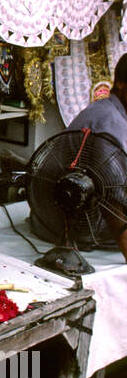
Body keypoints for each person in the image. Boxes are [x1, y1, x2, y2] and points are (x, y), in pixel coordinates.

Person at [67, 53, 127, 262]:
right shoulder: (109, 123)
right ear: (119, 83)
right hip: (85, 224)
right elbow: (111, 199)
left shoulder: (116, 112)